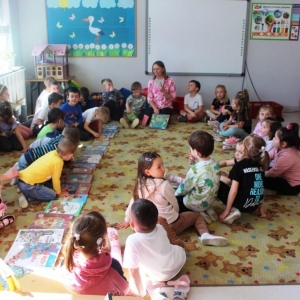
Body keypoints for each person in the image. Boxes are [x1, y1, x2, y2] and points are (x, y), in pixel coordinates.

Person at [116, 151, 228, 247]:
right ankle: (205, 234)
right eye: (159, 167)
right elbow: (175, 204)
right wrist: (176, 214)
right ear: (147, 171)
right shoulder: (164, 185)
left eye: (162, 165)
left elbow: (133, 202)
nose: (163, 169)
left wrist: (127, 219)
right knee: (196, 216)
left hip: (148, 227)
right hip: (170, 225)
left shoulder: (139, 184)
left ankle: (153, 237)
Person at [123, 199, 186, 297]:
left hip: (156, 276)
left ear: (131, 224)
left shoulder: (132, 240)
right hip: (176, 265)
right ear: (157, 220)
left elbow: (133, 271)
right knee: (178, 249)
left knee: (140, 267)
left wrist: (138, 292)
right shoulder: (160, 228)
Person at [61, 211, 129, 296]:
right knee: (116, 252)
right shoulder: (113, 264)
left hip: (83, 296)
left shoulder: (66, 262)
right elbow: (125, 289)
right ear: (104, 243)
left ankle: (114, 243)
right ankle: (114, 244)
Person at [167, 131, 221, 225]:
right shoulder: (215, 162)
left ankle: (198, 213)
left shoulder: (195, 170)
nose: (190, 150)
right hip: (210, 200)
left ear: (197, 152)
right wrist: (192, 162)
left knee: (173, 201)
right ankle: (208, 209)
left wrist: (175, 194)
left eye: (191, 148)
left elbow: (184, 188)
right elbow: (204, 171)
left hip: (193, 204)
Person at [217, 135, 269, 224]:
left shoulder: (239, 166)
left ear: (244, 149)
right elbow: (260, 189)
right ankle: (237, 208)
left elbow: (233, 191)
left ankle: (233, 210)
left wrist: (227, 210)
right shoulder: (261, 166)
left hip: (240, 205)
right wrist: (261, 209)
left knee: (216, 183)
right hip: (254, 206)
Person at [17, 138, 78, 208]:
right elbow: (56, 179)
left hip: (24, 179)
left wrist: (58, 189)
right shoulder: (58, 161)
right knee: (52, 195)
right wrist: (59, 192)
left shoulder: (53, 152)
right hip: (28, 185)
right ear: (70, 155)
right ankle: (27, 195)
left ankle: (24, 190)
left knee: (52, 187)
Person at [264, 123, 300, 196]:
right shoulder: (277, 148)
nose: (273, 139)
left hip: (292, 186)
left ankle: (275, 192)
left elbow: (273, 173)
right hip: (282, 176)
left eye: (275, 138)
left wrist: (262, 173)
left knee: (260, 178)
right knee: (262, 170)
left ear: (283, 144)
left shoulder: (288, 156)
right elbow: (267, 157)